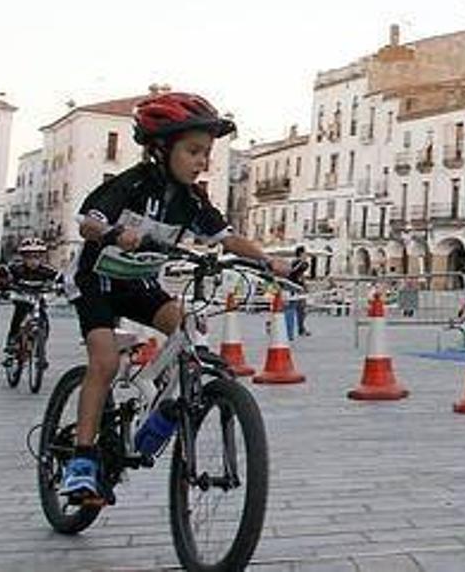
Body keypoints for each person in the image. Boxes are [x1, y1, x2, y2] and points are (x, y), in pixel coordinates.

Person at [58, 92, 291, 503]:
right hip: (97, 281)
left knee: (189, 327)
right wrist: (114, 233)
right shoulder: (128, 185)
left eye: (207, 153)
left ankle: (163, 408)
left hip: (139, 284)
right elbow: (87, 223)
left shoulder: (192, 200)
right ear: (160, 149)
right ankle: (81, 461)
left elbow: (227, 238)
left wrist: (270, 263)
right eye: (194, 151)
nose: (203, 161)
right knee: (105, 360)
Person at [0, 237, 60, 366]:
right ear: (23, 257)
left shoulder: (48, 270)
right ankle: (11, 347)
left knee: (44, 322)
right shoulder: (15, 268)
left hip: (39, 300)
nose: (33, 261)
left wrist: (62, 288)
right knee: (18, 318)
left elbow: (61, 279)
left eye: (37, 257)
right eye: (29, 257)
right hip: (22, 298)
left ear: (42, 257)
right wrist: (4, 288)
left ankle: (40, 351)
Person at [284, 246, 310, 337]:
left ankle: (301, 328)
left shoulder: (304, 264)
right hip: (292, 287)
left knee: (302, 309)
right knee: (290, 308)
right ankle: (288, 330)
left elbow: (301, 275)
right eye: (305, 253)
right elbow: (292, 272)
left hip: (299, 288)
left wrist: (304, 285)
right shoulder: (296, 263)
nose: (306, 255)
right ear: (301, 253)